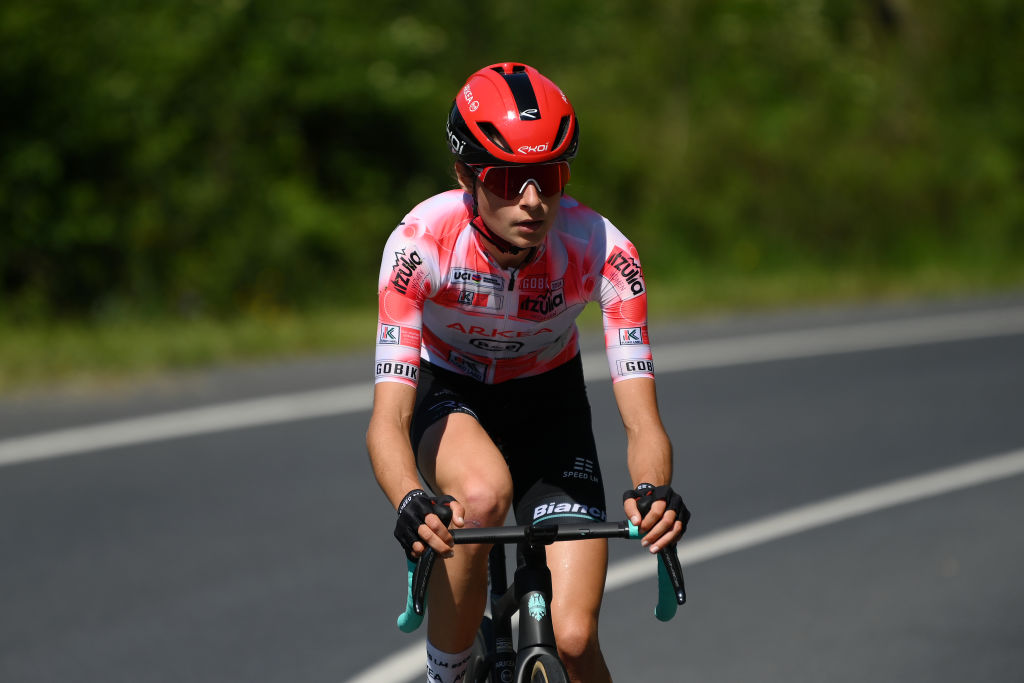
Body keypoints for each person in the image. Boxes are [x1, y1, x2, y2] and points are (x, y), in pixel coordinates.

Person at [366, 62, 690, 683]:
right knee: (481, 495)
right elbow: (389, 419)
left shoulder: (604, 250)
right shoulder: (419, 244)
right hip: (451, 392)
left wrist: (651, 492)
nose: (535, 200)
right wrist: (411, 498)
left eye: (550, 175)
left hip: (549, 403)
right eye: (510, 179)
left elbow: (643, 419)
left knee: (572, 639)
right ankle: (447, 673)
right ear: (466, 175)